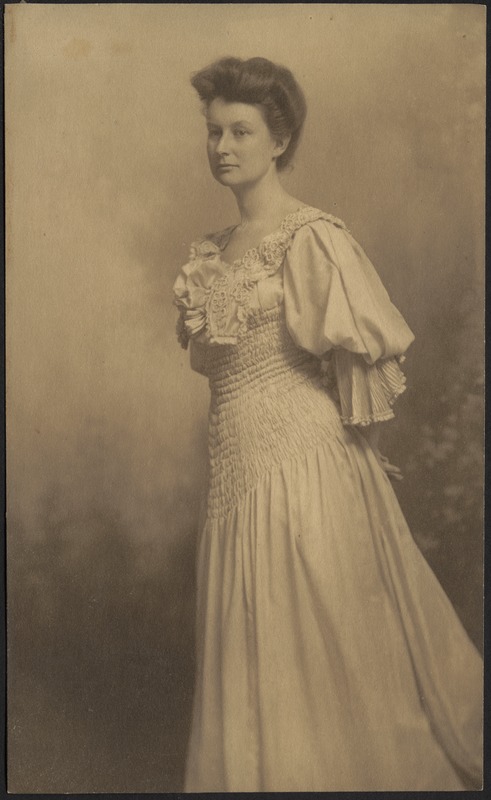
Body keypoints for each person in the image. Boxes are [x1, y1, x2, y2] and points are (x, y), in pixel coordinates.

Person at [172, 56, 482, 792]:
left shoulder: (309, 236)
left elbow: (354, 371)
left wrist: (351, 484)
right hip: (233, 471)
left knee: (318, 639)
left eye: (240, 131)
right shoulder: (209, 254)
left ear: (278, 140)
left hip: (305, 466)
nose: (222, 146)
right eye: (213, 131)